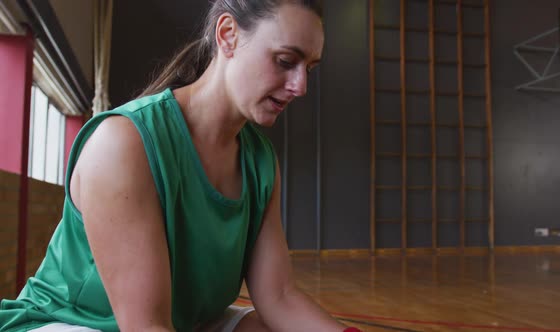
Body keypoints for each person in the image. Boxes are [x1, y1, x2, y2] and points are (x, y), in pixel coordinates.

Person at [0, 0, 363, 331]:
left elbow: (280, 296)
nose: (300, 86)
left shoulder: (260, 160)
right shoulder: (123, 142)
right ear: (228, 36)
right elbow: (146, 326)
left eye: (310, 69)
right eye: (285, 61)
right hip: (72, 323)